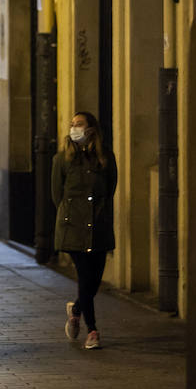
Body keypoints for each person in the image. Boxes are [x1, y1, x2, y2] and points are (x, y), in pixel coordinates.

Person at [51, 111, 117, 350]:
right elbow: (56, 195)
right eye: (72, 124)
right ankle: (93, 330)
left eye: (79, 124)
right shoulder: (62, 159)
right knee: (85, 278)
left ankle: (76, 309)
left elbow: (110, 190)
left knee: (94, 282)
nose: (74, 128)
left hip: (98, 227)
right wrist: (71, 215)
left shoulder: (105, 157)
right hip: (72, 228)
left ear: (91, 129)